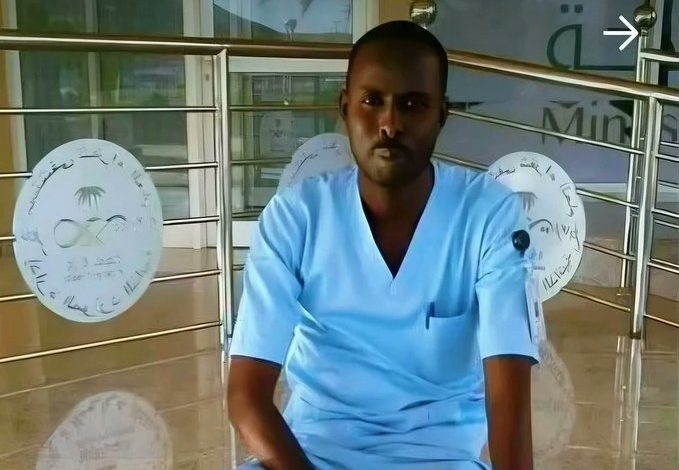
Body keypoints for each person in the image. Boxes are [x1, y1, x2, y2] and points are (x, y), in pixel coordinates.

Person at [228, 20, 539, 470]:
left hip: (440, 460)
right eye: (372, 101)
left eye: (413, 104)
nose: (390, 124)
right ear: (345, 108)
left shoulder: (489, 215)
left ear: (441, 115)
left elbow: (509, 398)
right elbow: (246, 397)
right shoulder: (296, 218)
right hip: (311, 457)